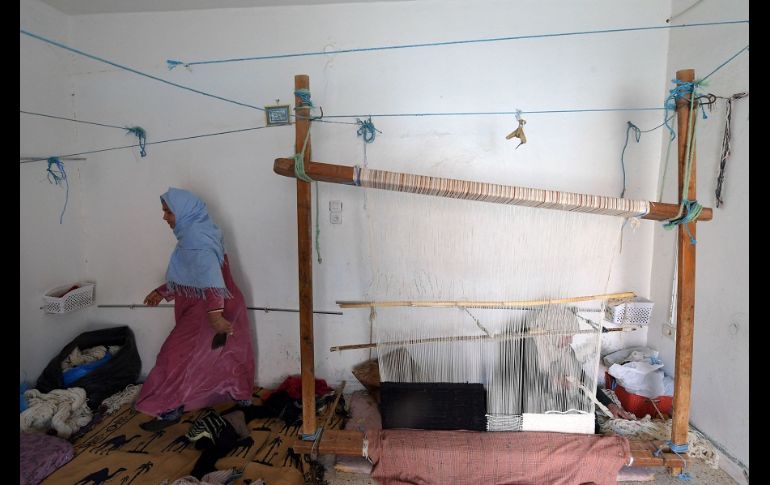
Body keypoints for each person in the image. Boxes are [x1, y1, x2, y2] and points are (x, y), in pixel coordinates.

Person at [135, 188, 255, 431]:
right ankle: (241, 395)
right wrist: (163, 291)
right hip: (221, 303)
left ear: (184, 212)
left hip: (211, 308)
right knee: (228, 352)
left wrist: (215, 317)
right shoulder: (198, 232)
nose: (165, 217)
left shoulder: (196, 239)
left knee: (175, 356)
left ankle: (169, 406)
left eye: (168, 212)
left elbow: (210, 277)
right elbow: (194, 274)